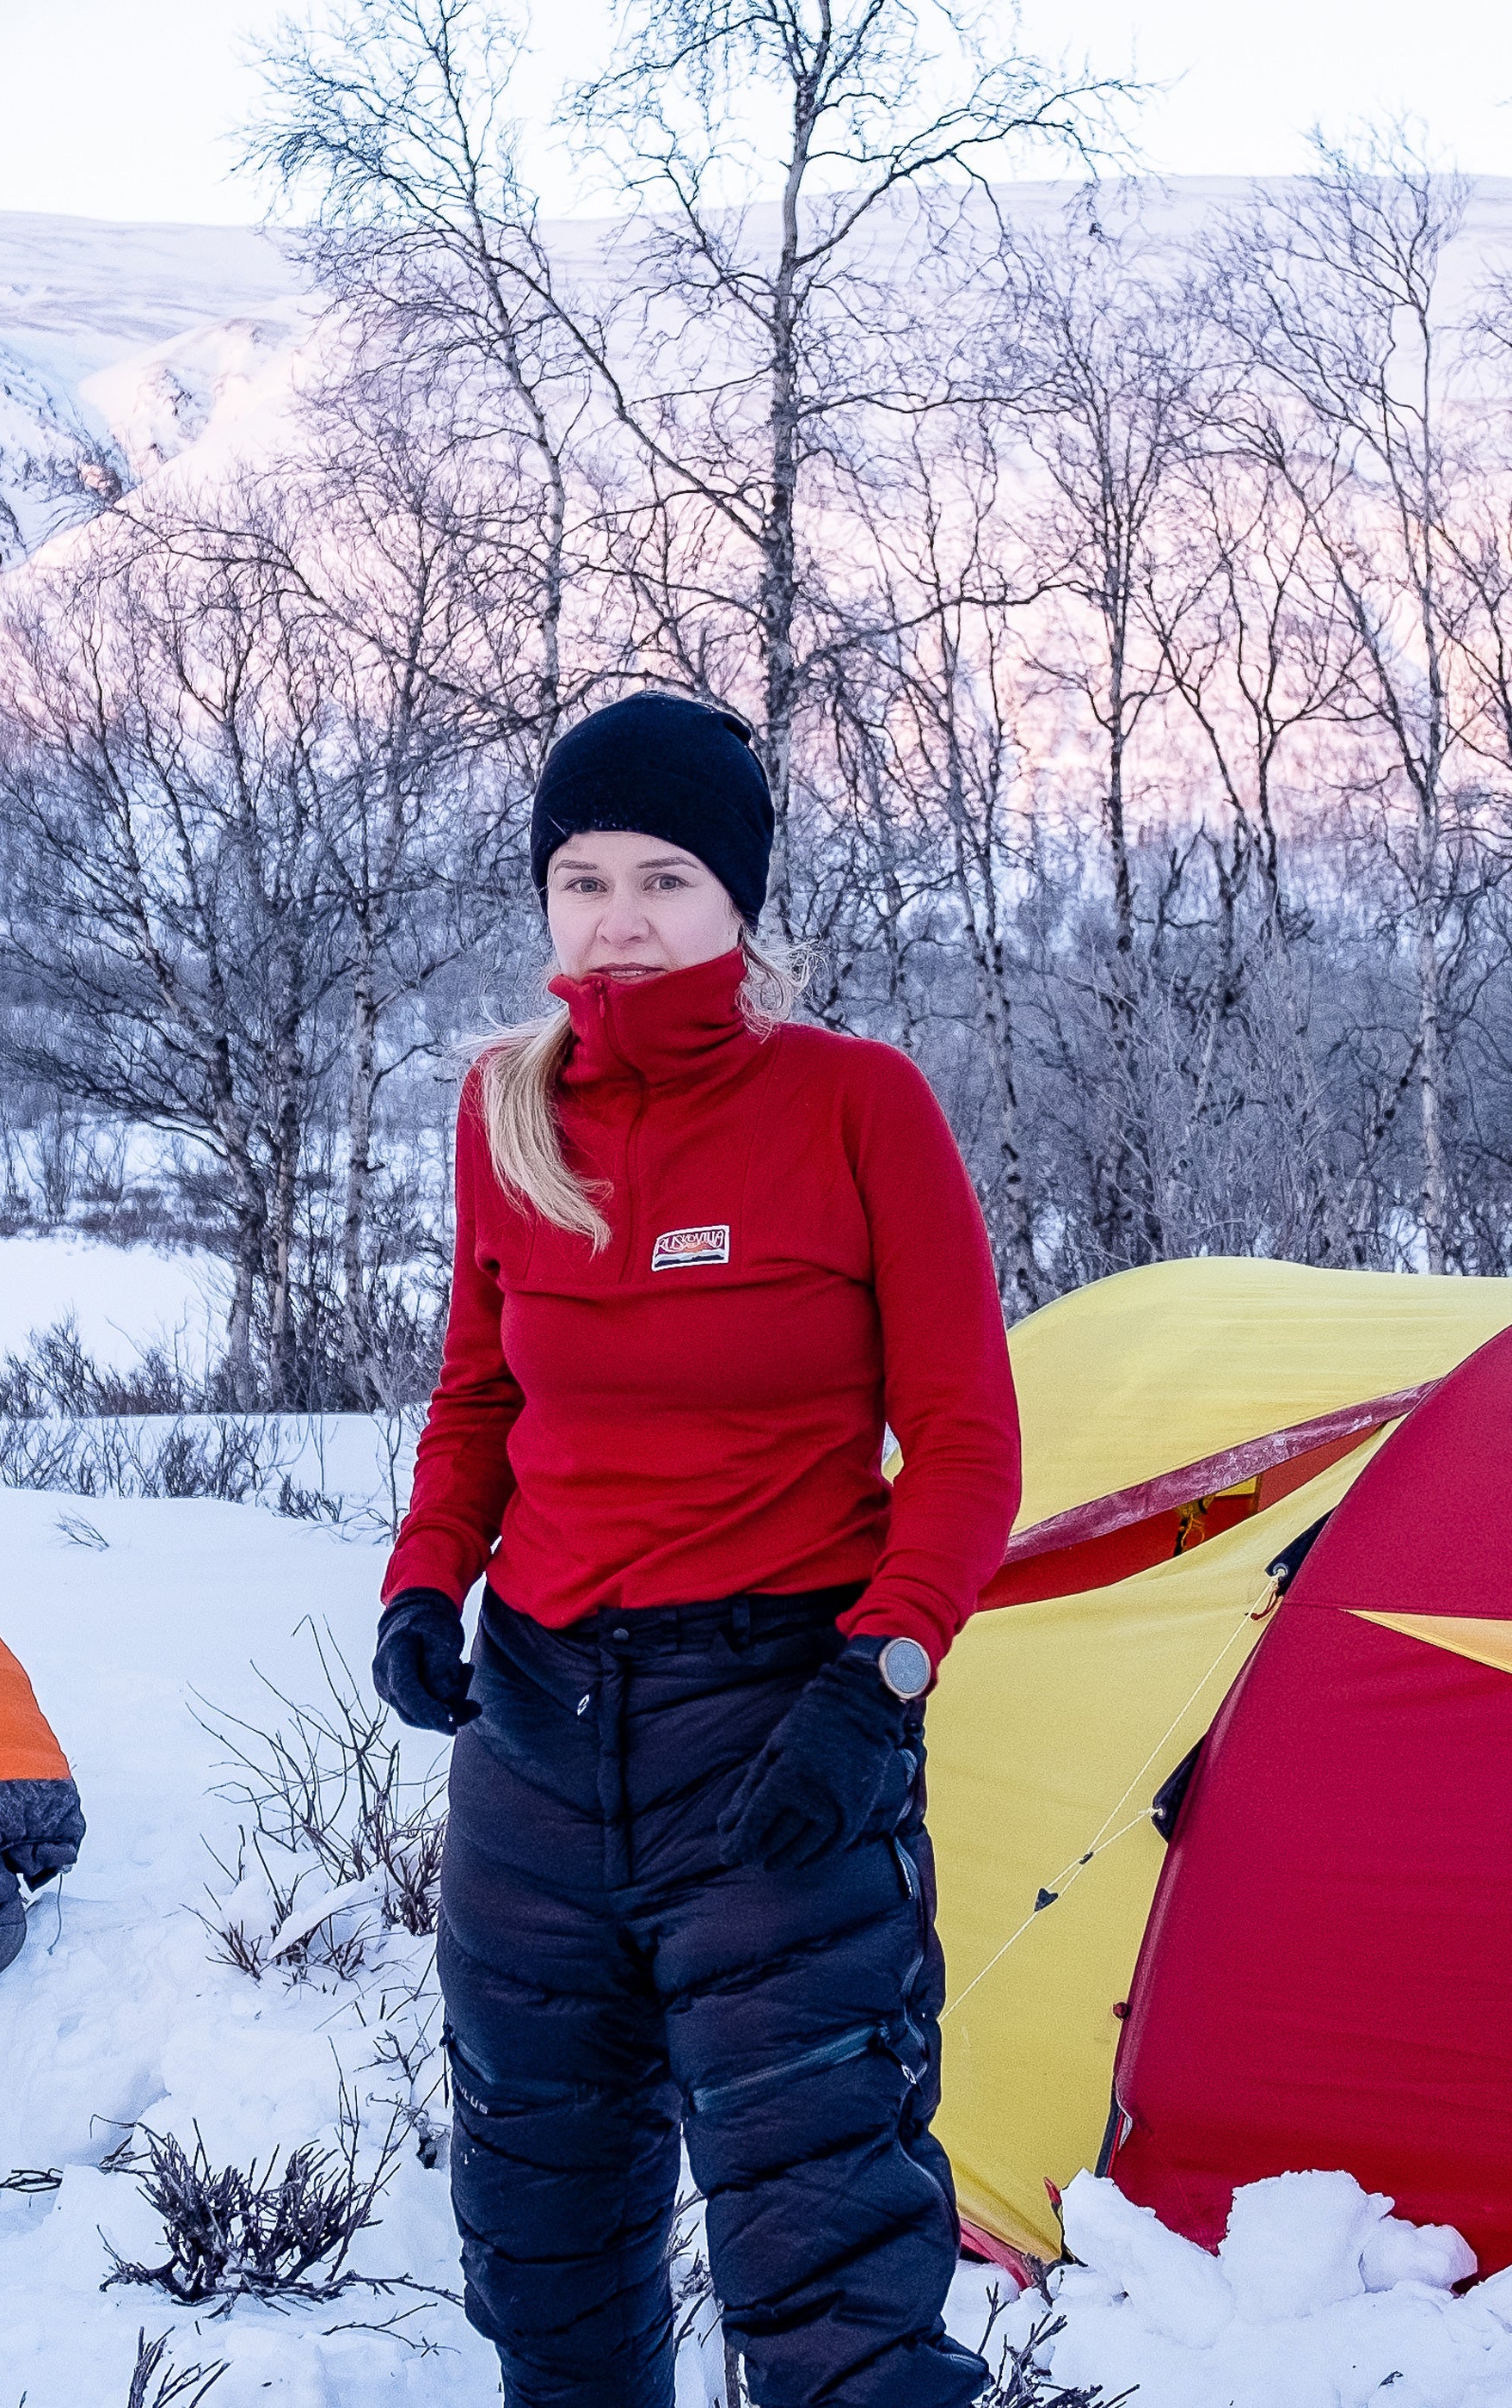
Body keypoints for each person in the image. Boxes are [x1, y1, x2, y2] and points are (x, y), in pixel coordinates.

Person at [372, 691, 1020, 2408]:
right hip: (534, 1741)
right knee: (545, 2250)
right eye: (582, 878)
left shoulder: (854, 1104)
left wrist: (874, 1685)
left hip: (778, 1735)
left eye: (665, 875)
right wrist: (425, 1576)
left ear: (738, 896)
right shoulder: (505, 1108)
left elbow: (967, 1445)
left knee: (830, 2274)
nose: (621, 918)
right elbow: (479, 1390)